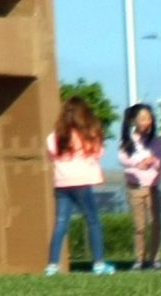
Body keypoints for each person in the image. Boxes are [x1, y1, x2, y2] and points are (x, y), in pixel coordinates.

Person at [44, 96, 106, 274]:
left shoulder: (55, 136)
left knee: (61, 223)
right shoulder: (88, 134)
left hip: (62, 184)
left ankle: (52, 265)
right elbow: (98, 152)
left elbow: (51, 155)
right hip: (82, 183)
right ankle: (99, 263)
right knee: (93, 221)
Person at [117, 104, 161, 271]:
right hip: (135, 188)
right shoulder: (128, 141)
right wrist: (137, 164)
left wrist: (153, 162)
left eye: (149, 118)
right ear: (134, 121)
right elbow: (123, 160)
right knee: (139, 226)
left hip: (152, 188)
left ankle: (155, 258)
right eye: (143, 118)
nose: (147, 122)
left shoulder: (156, 141)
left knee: (156, 224)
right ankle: (140, 258)